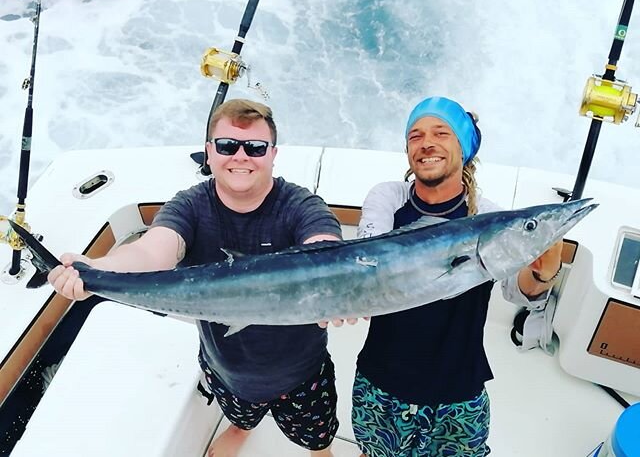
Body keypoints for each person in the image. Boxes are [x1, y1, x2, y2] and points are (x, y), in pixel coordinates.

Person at [48, 99, 342, 457]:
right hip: (225, 368)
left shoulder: (300, 205)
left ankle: (320, 451)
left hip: (302, 374)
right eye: (227, 145)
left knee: (318, 437)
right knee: (239, 413)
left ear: (273, 154)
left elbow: (325, 248)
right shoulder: (189, 205)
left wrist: (340, 283)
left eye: (255, 147)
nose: (241, 156)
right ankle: (240, 427)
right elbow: (151, 252)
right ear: (209, 151)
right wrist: (98, 268)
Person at [349, 96, 563, 457]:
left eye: (441, 133)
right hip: (381, 378)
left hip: (460, 387)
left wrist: (543, 273)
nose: (426, 142)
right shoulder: (389, 197)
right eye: (415, 136)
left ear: (463, 148)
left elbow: (517, 290)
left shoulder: (491, 217)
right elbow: (367, 257)